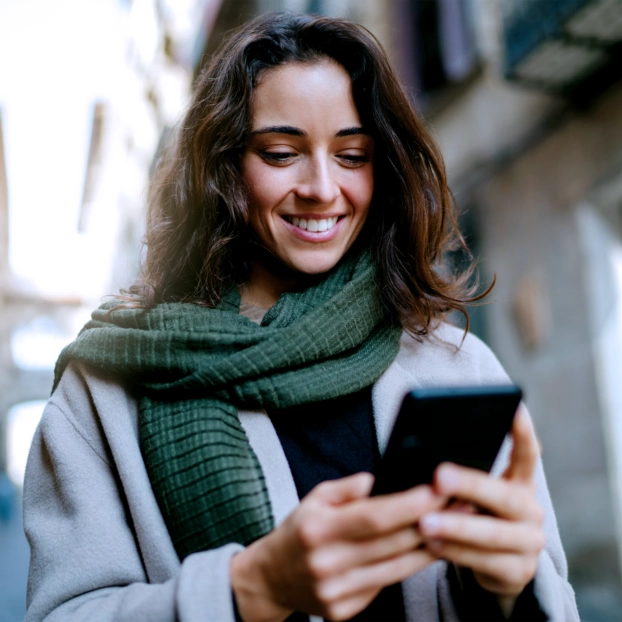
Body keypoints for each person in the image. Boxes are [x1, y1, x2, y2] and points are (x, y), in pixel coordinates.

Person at [23, 12, 579, 622]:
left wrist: (511, 585)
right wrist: (250, 589)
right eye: (283, 153)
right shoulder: (104, 391)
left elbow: (546, 598)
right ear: (222, 166)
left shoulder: (458, 366)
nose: (321, 186)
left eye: (352, 154)